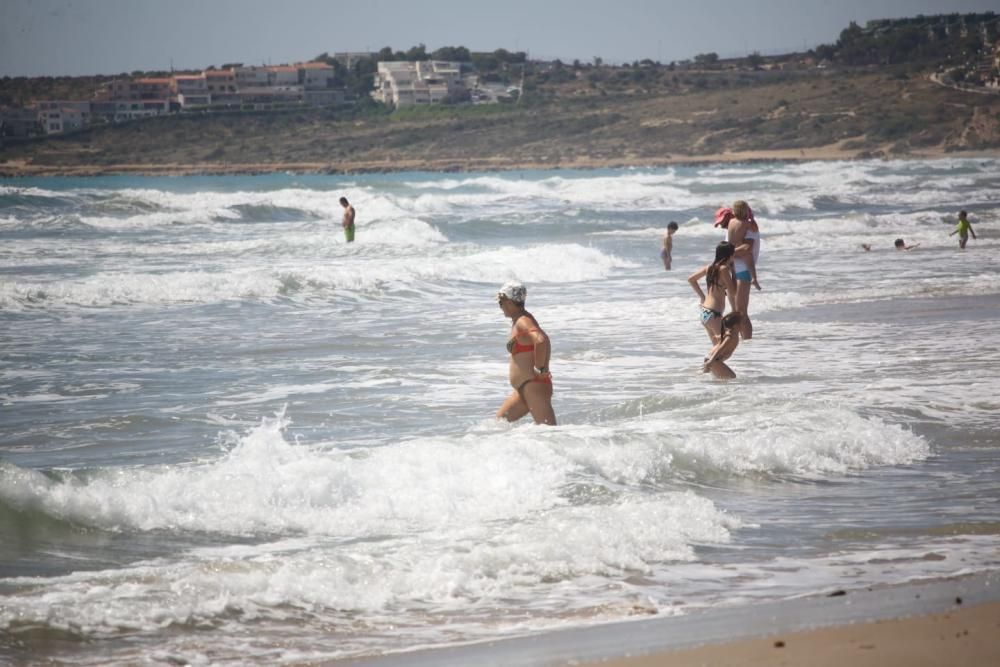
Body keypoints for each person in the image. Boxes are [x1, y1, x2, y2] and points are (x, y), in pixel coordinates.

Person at [495, 281, 557, 426]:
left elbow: (541, 340)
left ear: (509, 302)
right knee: (497, 426)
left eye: (500, 302)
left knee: (550, 434)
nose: (500, 306)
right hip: (524, 390)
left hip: (534, 387)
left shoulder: (523, 321)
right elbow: (544, 339)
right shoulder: (521, 320)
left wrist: (541, 368)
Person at [688, 241, 737, 344]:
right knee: (723, 347)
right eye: (734, 254)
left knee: (717, 348)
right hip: (714, 314)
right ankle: (710, 361)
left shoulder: (709, 267)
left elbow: (691, 279)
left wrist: (702, 297)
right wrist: (734, 272)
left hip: (705, 312)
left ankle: (710, 360)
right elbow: (733, 292)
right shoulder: (723, 269)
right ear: (729, 255)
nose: (734, 257)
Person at [724, 200, 761, 339]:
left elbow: (747, 247)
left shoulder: (731, 222)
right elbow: (746, 250)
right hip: (739, 268)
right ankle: (740, 342)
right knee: (738, 312)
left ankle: (747, 342)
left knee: (739, 312)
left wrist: (727, 255)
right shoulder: (748, 225)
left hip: (736, 268)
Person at [702, 311, 744, 379]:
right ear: (736, 326)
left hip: (711, 359)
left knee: (720, 379)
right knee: (732, 377)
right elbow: (720, 349)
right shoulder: (730, 337)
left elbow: (722, 336)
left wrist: (717, 336)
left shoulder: (730, 333)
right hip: (713, 359)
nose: (744, 325)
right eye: (742, 323)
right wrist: (711, 362)